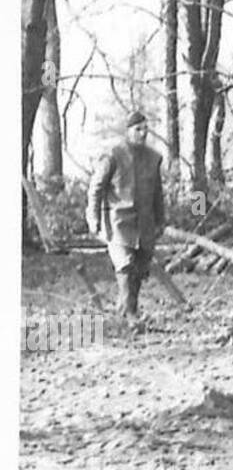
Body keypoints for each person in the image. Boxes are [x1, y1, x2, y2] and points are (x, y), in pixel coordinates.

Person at [86, 110, 166, 319]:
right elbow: (96, 188)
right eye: (138, 129)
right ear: (128, 131)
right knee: (125, 265)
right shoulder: (113, 155)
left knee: (140, 269)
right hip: (119, 222)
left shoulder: (153, 158)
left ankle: (126, 311)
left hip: (145, 222)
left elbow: (158, 193)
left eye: (145, 129)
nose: (143, 133)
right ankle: (130, 315)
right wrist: (93, 218)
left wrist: (161, 221)